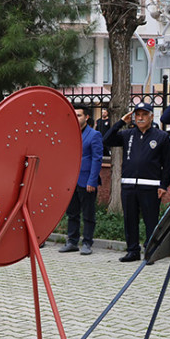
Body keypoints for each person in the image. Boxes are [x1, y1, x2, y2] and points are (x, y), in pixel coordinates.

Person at [104, 101, 170, 263]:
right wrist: (121, 122)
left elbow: (167, 164)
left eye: (144, 115)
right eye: (137, 115)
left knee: (151, 221)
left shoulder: (161, 136)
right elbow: (106, 140)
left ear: (151, 116)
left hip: (151, 186)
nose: (140, 118)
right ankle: (132, 251)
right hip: (128, 185)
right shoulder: (127, 134)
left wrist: (164, 185)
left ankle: (150, 252)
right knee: (130, 220)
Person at [59, 105, 103, 256]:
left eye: (79, 115)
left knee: (88, 214)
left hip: (87, 181)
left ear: (86, 117)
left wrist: (92, 181)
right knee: (72, 213)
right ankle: (72, 241)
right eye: (74, 115)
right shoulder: (69, 134)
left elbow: (97, 159)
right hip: (71, 181)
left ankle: (87, 243)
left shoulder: (94, 135)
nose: (76, 118)